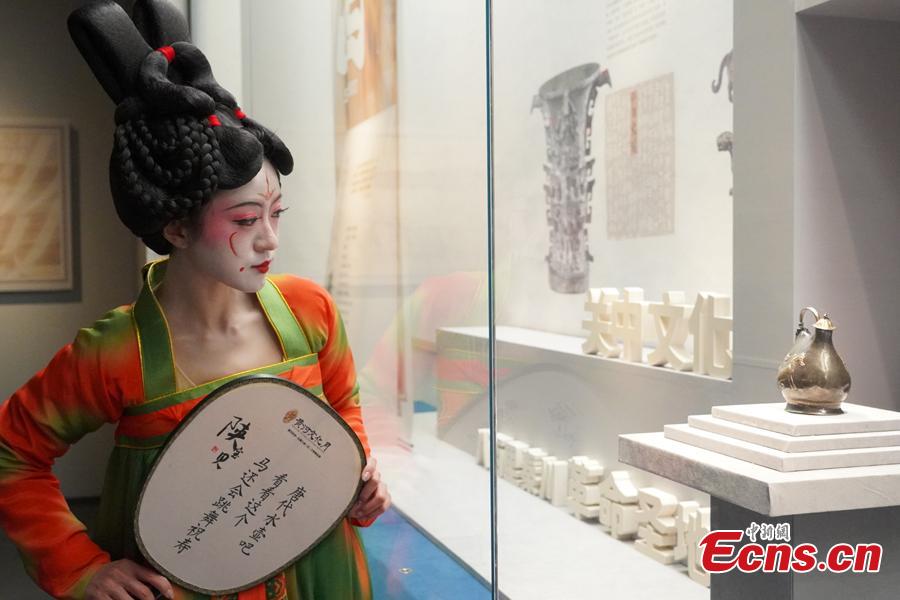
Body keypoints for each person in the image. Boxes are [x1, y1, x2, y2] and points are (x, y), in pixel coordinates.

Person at [0, 1, 389, 599]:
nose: (270, 239)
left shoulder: (309, 310)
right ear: (176, 227)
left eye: (277, 213)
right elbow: (13, 452)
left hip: (325, 571)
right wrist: (81, 566)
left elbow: (342, 409)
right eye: (245, 219)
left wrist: (358, 471)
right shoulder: (117, 350)